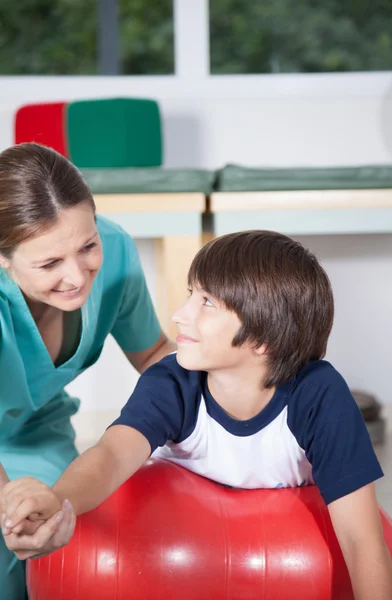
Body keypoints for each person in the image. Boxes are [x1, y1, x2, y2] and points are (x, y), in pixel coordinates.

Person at [1, 230, 392, 599]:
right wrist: (58, 499)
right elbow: (111, 455)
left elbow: (362, 539)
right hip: (174, 550)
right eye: (191, 294)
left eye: (206, 302)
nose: (179, 315)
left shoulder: (319, 395)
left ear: (262, 337)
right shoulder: (174, 380)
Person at [0, 142, 175, 598]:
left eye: (86, 245)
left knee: (70, 532)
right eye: (49, 263)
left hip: (38, 432)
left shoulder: (115, 251)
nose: (77, 276)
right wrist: (10, 506)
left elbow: (154, 351)